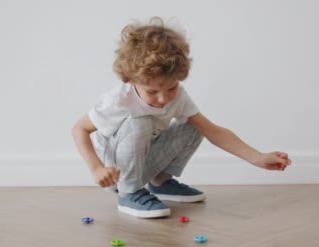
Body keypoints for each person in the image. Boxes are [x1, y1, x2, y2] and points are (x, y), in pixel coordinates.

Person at [72, 17, 291, 218]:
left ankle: (160, 182)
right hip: (117, 174)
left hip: (144, 161)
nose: (163, 98)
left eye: (171, 88)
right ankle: (129, 195)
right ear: (131, 79)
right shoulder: (118, 100)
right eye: (152, 91)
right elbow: (79, 129)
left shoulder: (178, 98)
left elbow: (213, 131)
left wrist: (258, 157)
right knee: (142, 122)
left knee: (195, 125)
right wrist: (97, 168)